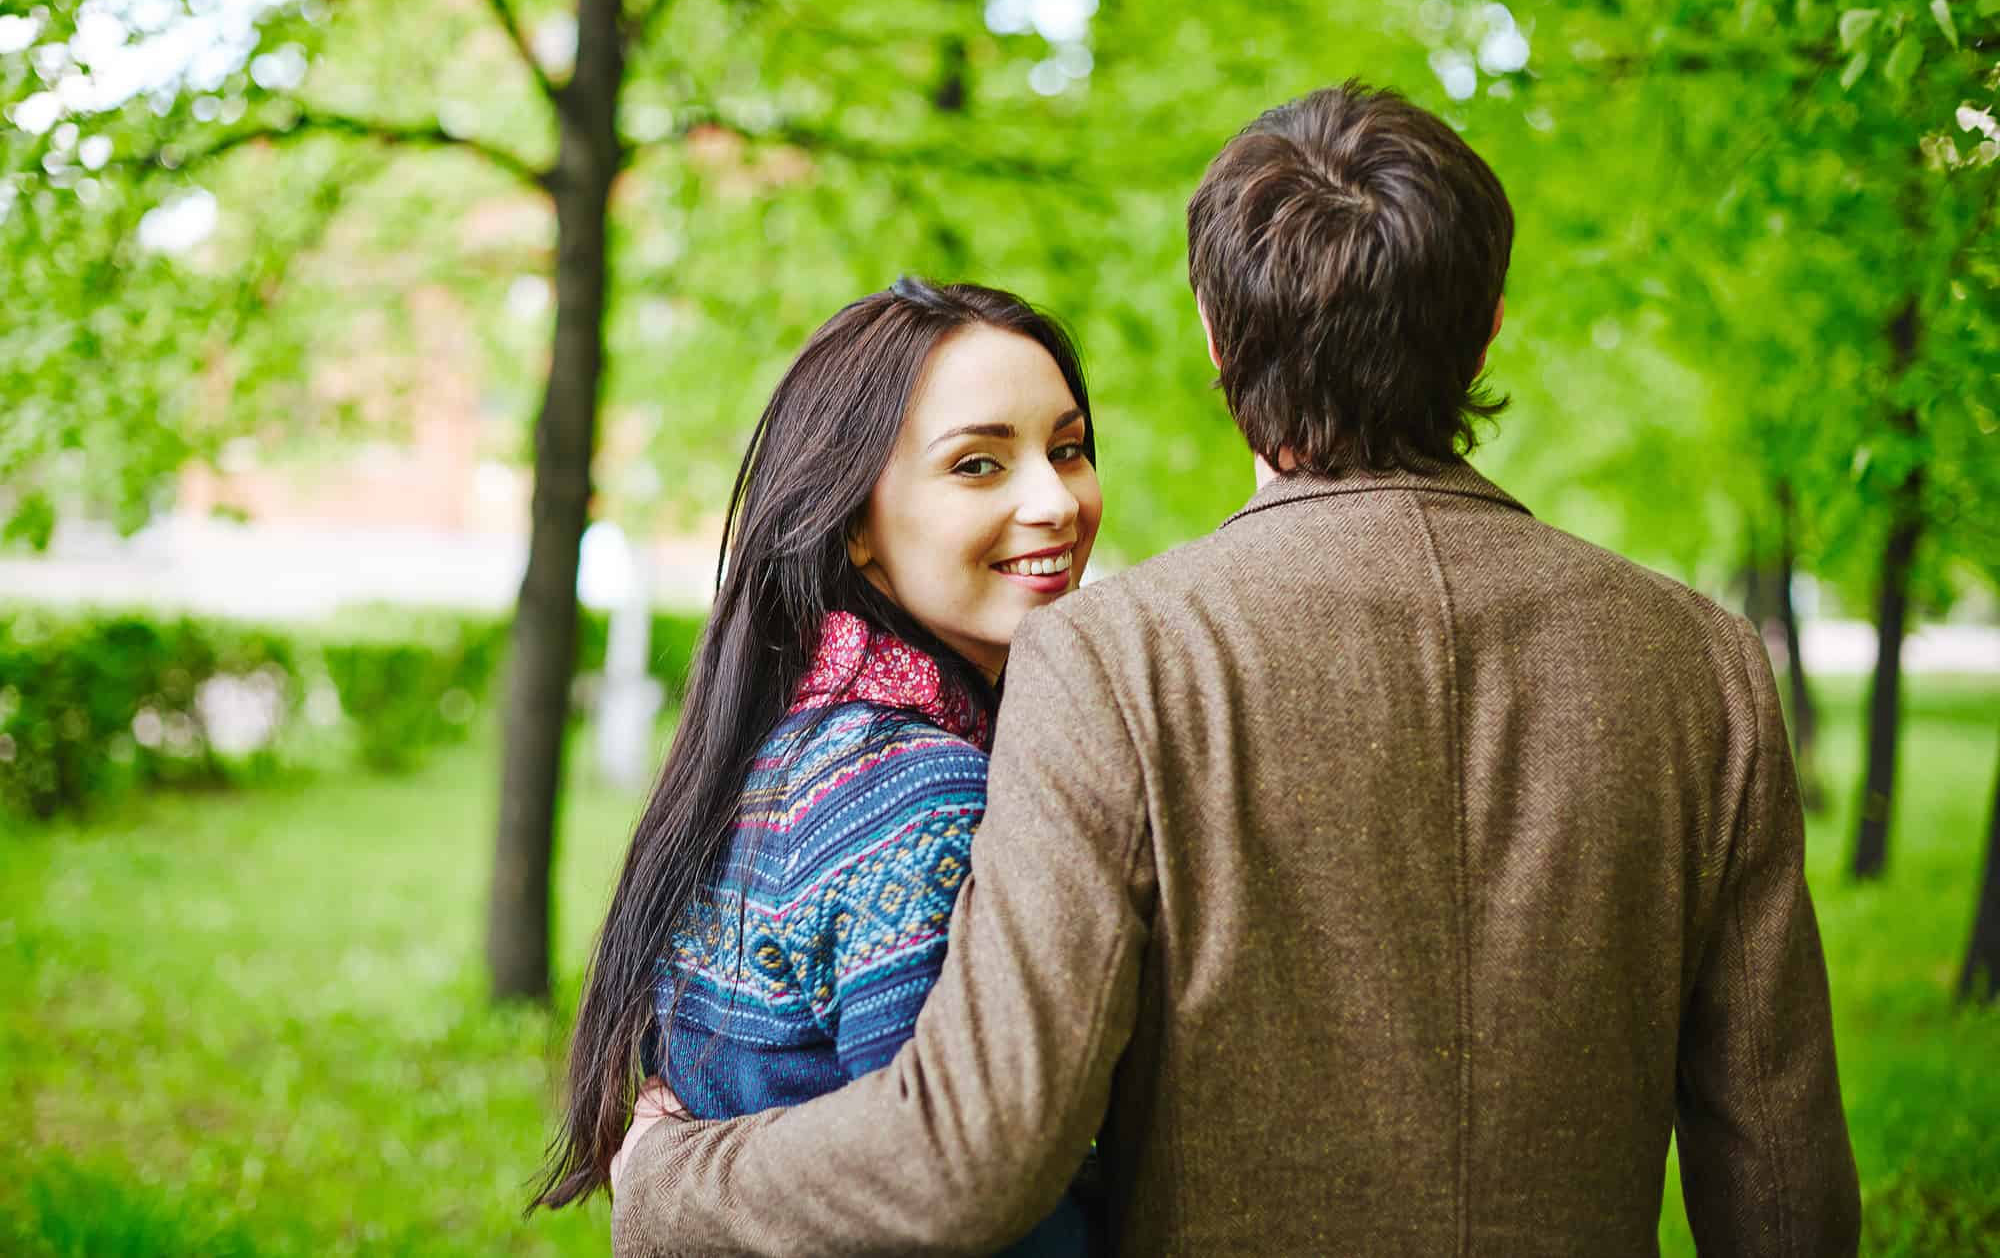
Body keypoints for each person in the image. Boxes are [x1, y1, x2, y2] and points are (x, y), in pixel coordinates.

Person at [609, 83, 1862, 1255]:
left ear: (1215, 337)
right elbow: (1786, 1197)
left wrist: (670, 1179)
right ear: (1486, 326)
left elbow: (973, 1149)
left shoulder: (1114, 658)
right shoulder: (1703, 663)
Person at [532, 278, 1105, 1255]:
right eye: (978, 464)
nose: (1052, 501)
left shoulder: (786, 742)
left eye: (1066, 448)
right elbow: (948, 1197)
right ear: (854, 525)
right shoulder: (917, 793)